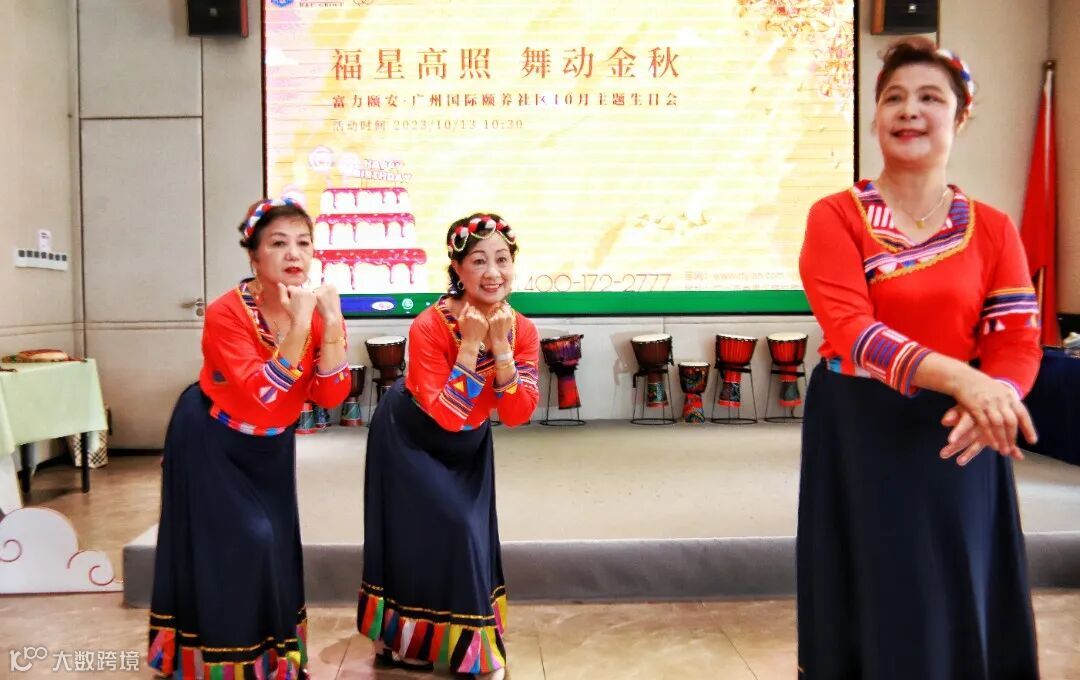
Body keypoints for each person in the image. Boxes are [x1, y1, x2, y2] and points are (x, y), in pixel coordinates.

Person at [797, 38, 1042, 679]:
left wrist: (996, 397)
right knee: (879, 588)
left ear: (960, 117)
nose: (909, 110)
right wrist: (968, 382)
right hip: (862, 429)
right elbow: (853, 331)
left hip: (962, 433)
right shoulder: (835, 216)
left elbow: (1015, 340)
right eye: (894, 98)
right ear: (876, 117)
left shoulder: (993, 227)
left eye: (930, 98)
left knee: (958, 588)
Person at [148, 198, 350, 679]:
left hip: (271, 447)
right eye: (278, 243)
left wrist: (332, 324)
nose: (294, 254)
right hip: (211, 439)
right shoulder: (227, 312)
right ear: (254, 256)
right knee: (241, 545)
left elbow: (330, 393)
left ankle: (270, 659)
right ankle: (219, 661)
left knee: (274, 548)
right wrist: (301, 325)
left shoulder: (316, 309)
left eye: (303, 243)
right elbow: (263, 391)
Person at [358, 213, 540, 679]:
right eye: (478, 261)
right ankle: (405, 640)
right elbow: (445, 413)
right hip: (409, 436)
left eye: (502, 259)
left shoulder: (521, 329)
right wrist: (470, 345)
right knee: (423, 537)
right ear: (457, 268)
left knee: (466, 533)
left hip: (469, 442)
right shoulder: (429, 325)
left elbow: (517, 414)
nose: (493, 272)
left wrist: (501, 350)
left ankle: (452, 643)